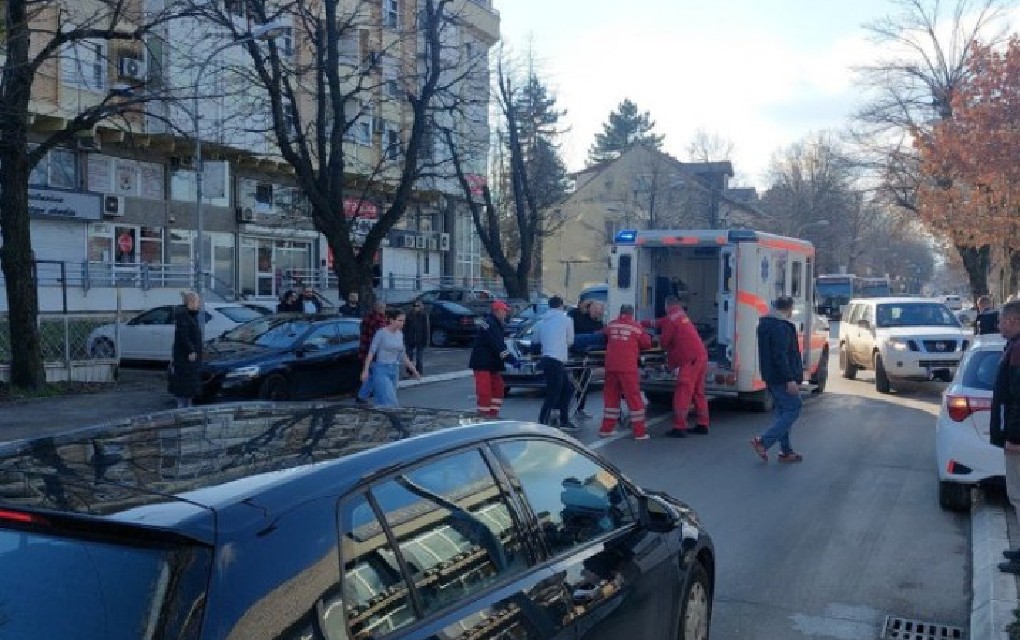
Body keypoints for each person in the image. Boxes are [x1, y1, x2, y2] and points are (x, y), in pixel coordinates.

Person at [750, 295, 805, 463]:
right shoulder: (780, 327)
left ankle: (786, 451)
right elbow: (781, 355)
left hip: (771, 376)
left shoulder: (765, 324)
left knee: (783, 412)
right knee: (794, 408)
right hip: (782, 377)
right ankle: (763, 441)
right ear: (788, 309)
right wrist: (790, 379)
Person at [989, 301, 1020, 574]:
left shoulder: (1018, 350)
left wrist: (1014, 437)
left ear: (1013, 321)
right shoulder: (1014, 347)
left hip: (1018, 439)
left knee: (1018, 496)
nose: (999, 325)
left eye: (1002, 320)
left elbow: (1018, 399)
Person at [657, 295, 710, 438]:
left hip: (690, 360)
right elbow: (661, 322)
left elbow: (664, 342)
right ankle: (703, 424)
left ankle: (679, 427)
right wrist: (643, 323)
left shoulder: (671, 319)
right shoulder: (680, 315)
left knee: (683, 392)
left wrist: (657, 341)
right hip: (700, 356)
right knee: (698, 392)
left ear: (666, 306)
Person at [598, 304, 652, 440]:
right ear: (632, 314)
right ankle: (639, 432)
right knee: (633, 398)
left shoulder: (611, 325)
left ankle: (606, 429)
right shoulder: (636, 327)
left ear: (620, 312)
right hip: (627, 367)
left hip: (611, 366)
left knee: (611, 397)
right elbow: (647, 343)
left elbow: (601, 335)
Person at [360, 309, 421, 407]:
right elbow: (371, 352)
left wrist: (414, 371)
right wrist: (365, 370)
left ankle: (381, 415)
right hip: (381, 369)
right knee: (390, 400)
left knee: (384, 401)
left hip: (394, 370)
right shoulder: (381, 333)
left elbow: (403, 355)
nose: (402, 323)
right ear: (392, 320)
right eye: (400, 320)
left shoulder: (400, 334)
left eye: (403, 321)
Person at [469, 300, 519, 417]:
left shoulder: (495, 323)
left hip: (491, 365)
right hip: (483, 364)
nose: (506, 313)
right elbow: (497, 345)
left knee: (498, 389)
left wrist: (510, 358)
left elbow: (499, 344)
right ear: (497, 311)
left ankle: (492, 415)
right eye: (504, 311)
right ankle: (483, 417)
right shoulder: (489, 324)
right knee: (485, 392)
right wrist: (511, 359)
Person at [536, 295, 576, 431]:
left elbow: (536, 339)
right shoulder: (567, 320)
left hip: (546, 359)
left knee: (567, 389)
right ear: (561, 306)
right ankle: (543, 420)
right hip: (557, 359)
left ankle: (563, 419)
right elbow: (570, 340)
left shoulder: (541, 320)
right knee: (554, 392)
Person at [571, 300, 605, 420]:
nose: (598, 315)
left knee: (584, 382)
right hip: (576, 353)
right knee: (577, 382)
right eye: (596, 312)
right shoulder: (577, 315)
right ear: (591, 308)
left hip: (587, 354)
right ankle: (573, 408)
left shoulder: (597, 322)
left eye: (599, 313)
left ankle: (580, 408)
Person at [169, 291, 202, 408]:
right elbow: (184, 336)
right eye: (197, 301)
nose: (199, 304)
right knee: (184, 386)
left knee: (188, 387)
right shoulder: (184, 316)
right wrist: (191, 350)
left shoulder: (190, 315)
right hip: (185, 359)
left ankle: (187, 407)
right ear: (191, 302)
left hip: (188, 359)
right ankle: (183, 410)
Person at [355, 301, 388, 405]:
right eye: (383, 308)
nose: (384, 310)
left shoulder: (367, 318)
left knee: (372, 375)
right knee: (378, 375)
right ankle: (381, 398)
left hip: (365, 350)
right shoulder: (379, 320)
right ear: (378, 308)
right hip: (375, 352)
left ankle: (362, 396)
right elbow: (383, 337)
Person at [404, 300, 430, 376]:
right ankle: (409, 372)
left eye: (418, 306)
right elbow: (405, 327)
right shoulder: (409, 315)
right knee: (409, 356)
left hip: (420, 339)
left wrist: (425, 340)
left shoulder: (423, 315)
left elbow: (426, 329)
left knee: (419, 357)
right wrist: (405, 337)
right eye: (415, 306)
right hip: (410, 338)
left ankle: (419, 372)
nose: (417, 307)